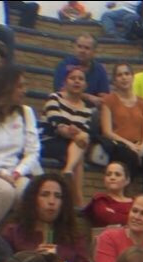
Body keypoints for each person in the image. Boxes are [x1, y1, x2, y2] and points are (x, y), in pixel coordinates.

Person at [99, 64, 143, 195]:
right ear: (114, 80)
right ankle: (125, 196)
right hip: (118, 145)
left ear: (132, 77)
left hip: (138, 145)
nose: (124, 77)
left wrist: (142, 147)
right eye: (119, 75)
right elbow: (107, 132)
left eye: (127, 74)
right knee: (129, 156)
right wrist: (129, 144)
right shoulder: (108, 101)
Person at [40, 67, 91, 208]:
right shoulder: (54, 98)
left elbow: (85, 131)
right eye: (72, 78)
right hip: (49, 140)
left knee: (81, 143)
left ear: (85, 85)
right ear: (65, 82)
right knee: (79, 152)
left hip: (71, 144)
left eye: (80, 79)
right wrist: (73, 132)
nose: (77, 81)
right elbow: (58, 126)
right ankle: (78, 201)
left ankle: (68, 170)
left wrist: (75, 133)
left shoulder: (87, 108)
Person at [52, 35, 109, 105]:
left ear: (94, 52)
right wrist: (88, 97)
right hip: (66, 105)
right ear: (74, 48)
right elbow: (61, 91)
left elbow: (104, 96)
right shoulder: (64, 65)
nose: (82, 51)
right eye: (79, 46)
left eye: (87, 48)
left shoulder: (99, 69)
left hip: (91, 110)